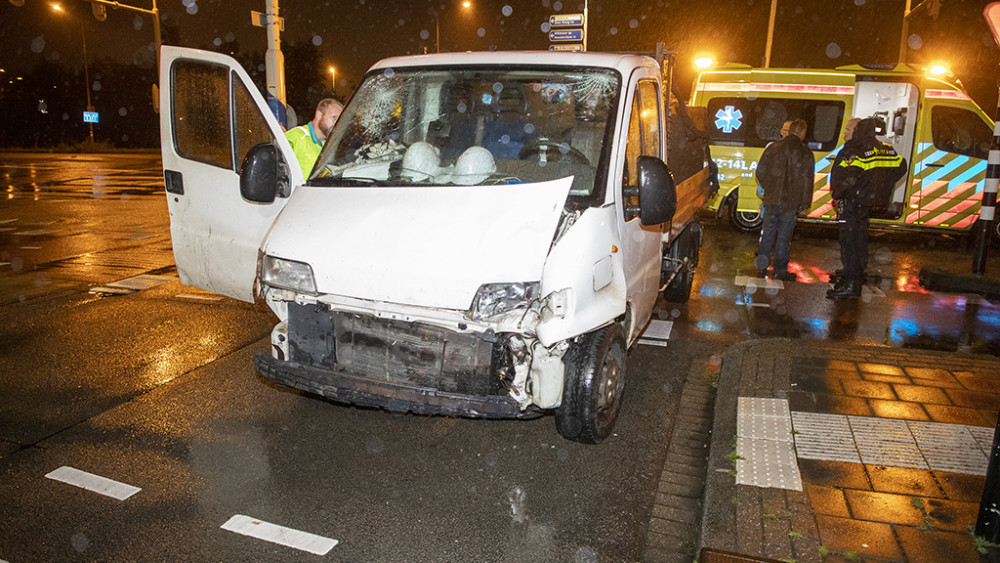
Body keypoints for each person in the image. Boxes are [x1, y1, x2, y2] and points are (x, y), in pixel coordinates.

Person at [827, 117, 907, 299]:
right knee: (860, 240)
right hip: (867, 203)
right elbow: (901, 166)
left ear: (857, 130)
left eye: (849, 129)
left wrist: (839, 194)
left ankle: (851, 285)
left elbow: (845, 178)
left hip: (853, 203)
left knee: (850, 243)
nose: (846, 133)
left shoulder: (855, 150)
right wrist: (880, 186)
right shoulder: (885, 149)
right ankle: (854, 277)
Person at [753, 118, 814, 281]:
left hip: (772, 199)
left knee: (768, 232)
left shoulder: (774, 148)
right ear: (802, 133)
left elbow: (760, 172)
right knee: (784, 237)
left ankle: (762, 265)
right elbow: (808, 180)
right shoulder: (805, 152)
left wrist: (770, 187)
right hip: (791, 202)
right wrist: (805, 204)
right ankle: (780, 270)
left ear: (790, 130)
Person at [285, 98, 344, 178]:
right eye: (334, 117)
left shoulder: (326, 146)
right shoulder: (297, 137)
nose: (337, 124)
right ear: (319, 115)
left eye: (340, 120)